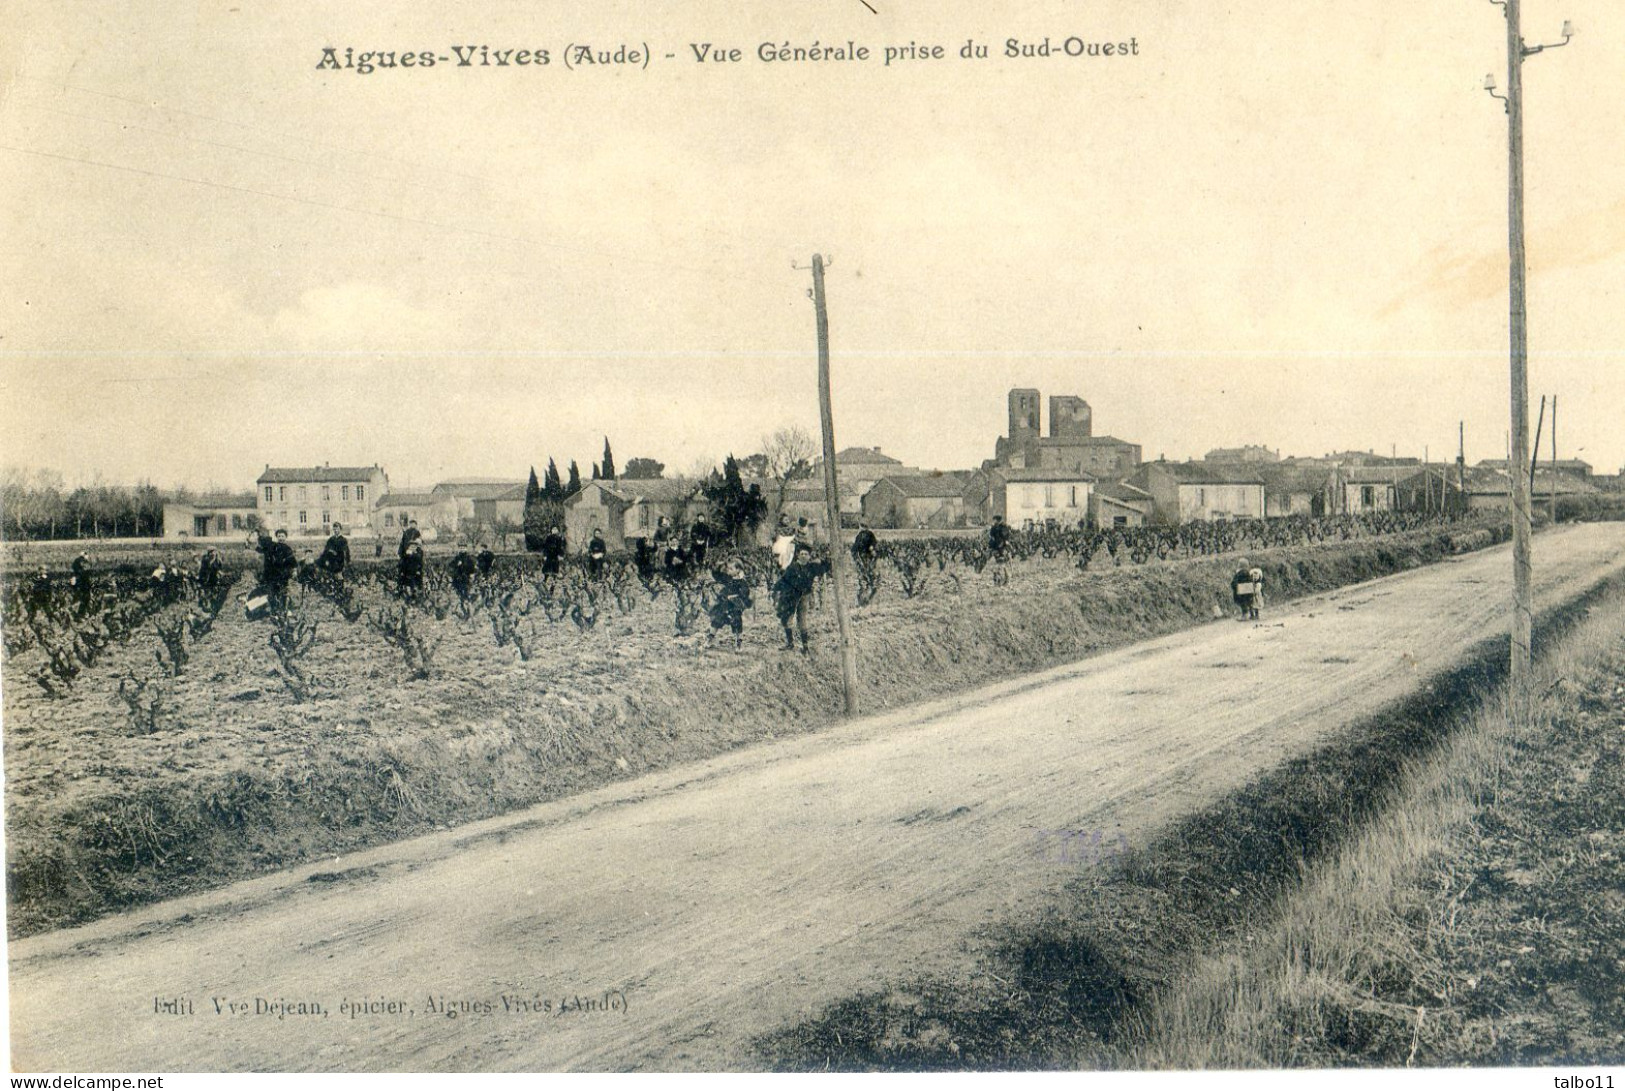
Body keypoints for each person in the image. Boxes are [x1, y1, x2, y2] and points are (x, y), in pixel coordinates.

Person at [772, 542, 830, 653]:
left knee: (802, 620)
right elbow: (784, 580)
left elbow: (826, 568)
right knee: (787, 619)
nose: (803, 556)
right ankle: (790, 644)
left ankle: (805, 647)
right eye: (802, 554)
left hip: (804, 596)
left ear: (809, 556)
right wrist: (775, 590)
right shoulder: (793, 567)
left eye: (806, 554)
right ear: (798, 555)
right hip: (791, 597)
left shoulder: (812, 567)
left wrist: (822, 560)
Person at [707, 556, 753, 650]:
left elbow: (745, 593)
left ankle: (738, 643)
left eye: (731, 569)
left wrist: (735, 596)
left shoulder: (742, 582)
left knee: (736, 622)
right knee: (716, 619)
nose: (729, 571)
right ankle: (710, 640)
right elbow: (718, 576)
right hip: (724, 605)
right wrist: (716, 567)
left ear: (738, 570)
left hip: (735, 606)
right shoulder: (729, 578)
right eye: (728, 568)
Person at [254, 528, 298, 607]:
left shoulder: (288, 549)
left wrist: (294, 570)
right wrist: (257, 537)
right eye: (279, 536)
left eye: (282, 536)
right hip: (272, 574)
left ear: (285, 537)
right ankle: (273, 608)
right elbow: (263, 548)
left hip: (283, 574)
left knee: (284, 591)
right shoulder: (273, 546)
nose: (281, 538)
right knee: (271, 591)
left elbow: (292, 561)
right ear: (277, 537)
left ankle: (285, 607)